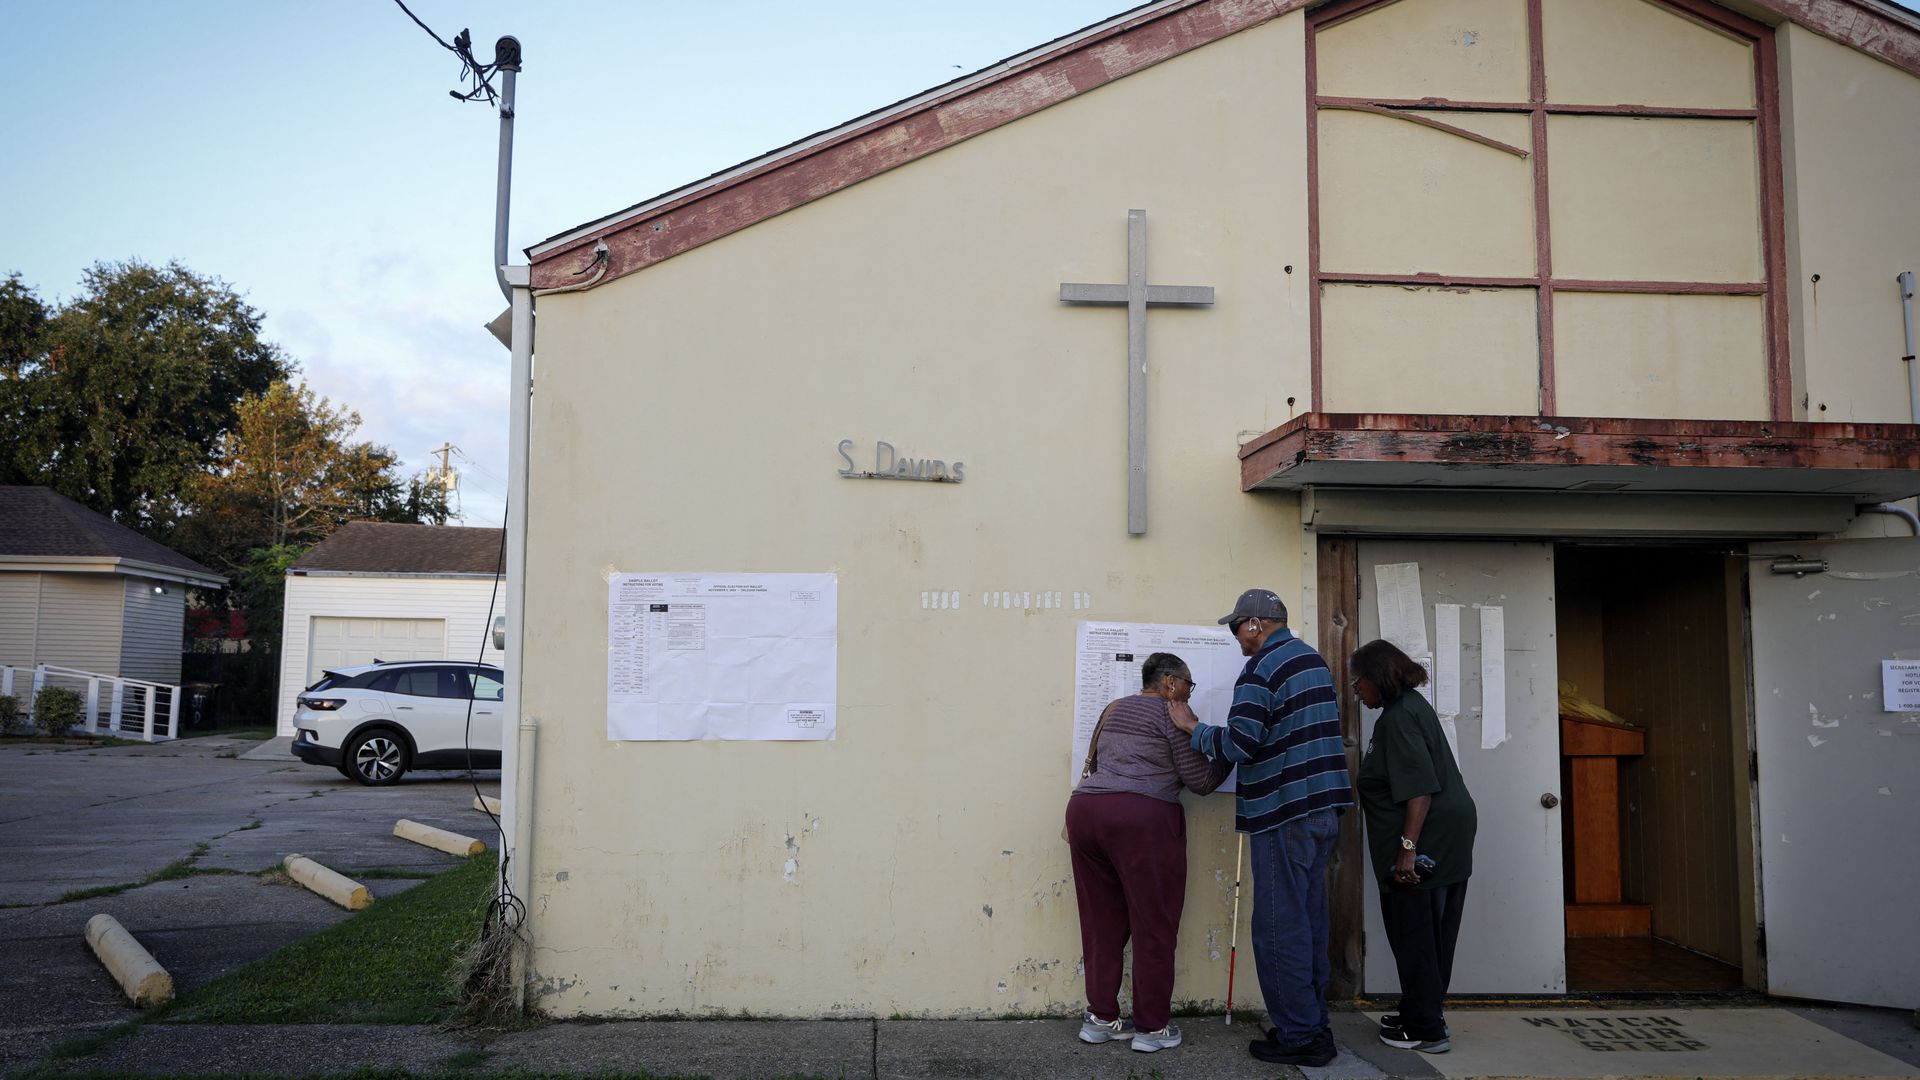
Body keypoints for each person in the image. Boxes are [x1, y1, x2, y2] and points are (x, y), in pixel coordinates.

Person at [1169, 588, 1352, 1068]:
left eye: (1237, 627)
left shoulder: (1261, 668)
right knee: (1309, 922)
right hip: (1323, 811)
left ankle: (1301, 1037)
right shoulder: (1310, 659)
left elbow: (1239, 745)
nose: (1236, 637)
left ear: (1255, 624)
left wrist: (1192, 727)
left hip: (1284, 810)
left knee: (1277, 927)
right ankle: (1311, 1023)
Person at [1065, 651, 1232, 1054]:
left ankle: (1100, 1019)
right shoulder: (1172, 716)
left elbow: (1099, 760)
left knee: (1101, 922)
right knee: (1154, 924)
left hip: (1086, 813)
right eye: (1189, 685)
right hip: (1141, 818)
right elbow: (1201, 780)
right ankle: (1151, 1029)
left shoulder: (1113, 709)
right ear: (1171, 683)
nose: (1190, 693)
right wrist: (1228, 751)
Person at [1350, 638, 1477, 1055]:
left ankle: (1426, 1028)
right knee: (1431, 930)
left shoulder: (1399, 719)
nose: (1356, 688)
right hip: (1445, 834)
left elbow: (1420, 790)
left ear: (1378, 679)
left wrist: (1406, 849)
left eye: (1360, 680)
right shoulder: (1407, 709)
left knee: (1416, 933)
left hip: (1427, 840)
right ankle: (1418, 1008)